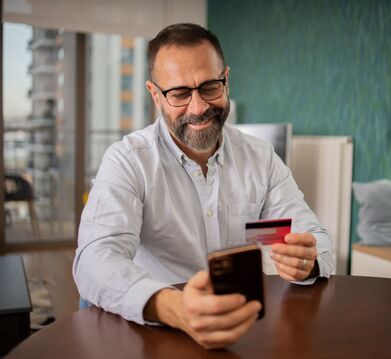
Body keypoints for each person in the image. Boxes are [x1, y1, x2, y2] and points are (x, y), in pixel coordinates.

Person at [73, 23, 333, 349]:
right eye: (179, 93)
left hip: (241, 328)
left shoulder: (260, 157)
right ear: (155, 95)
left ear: (226, 79)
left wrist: (306, 259)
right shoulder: (128, 160)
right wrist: (174, 307)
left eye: (210, 87)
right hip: (153, 332)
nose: (198, 108)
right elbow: (95, 260)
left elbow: (311, 237)